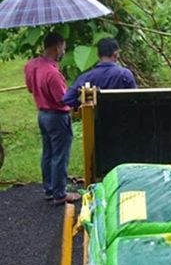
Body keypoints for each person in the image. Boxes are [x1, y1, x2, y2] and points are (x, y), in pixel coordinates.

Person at [24, 33, 80, 205]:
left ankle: (49, 189)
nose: (64, 50)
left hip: (42, 114)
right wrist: (78, 98)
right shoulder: (52, 73)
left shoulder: (31, 65)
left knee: (48, 153)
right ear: (57, 47)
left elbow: (30, 89)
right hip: (57, 116)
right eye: (63, 47)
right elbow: (63, 99)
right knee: (60, 155)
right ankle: (60, 193)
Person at [63, 38, 137, 108]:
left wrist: (84, 104)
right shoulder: (125, 74)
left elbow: (67, 99)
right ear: (115, 55)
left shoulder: (86, 77)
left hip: (95, 119)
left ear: (98, 55)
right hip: (123, 119)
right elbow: (136, 98)